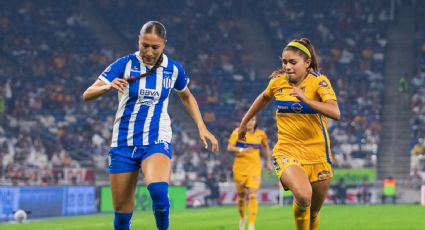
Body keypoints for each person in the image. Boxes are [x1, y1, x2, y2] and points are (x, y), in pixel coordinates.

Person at [82, 21, 219, 230]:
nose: (148, 51)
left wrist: (201, 126)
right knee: (122, 215)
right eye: (144, 45)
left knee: (158, 192)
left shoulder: (173, 69)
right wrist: (107, 86)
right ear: (139, 40)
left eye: (155, 47)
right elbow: (87, 94)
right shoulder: (124, 64)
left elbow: (187, 96)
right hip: (123, 143)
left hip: (155, 138)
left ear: (164, 44)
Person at [238, 38, 340, 230]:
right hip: (287, 152)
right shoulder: (278, 83)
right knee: (303, 196)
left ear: (307, 63)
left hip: (318, 156)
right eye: (284, 62)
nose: (287, 66)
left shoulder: (319, 81)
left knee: (314, 213)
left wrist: (306, 100)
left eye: (293, 62)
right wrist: (244, 122)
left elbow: (335, 112)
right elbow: (263, 97)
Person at [227, 116, 272, 230]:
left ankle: (251, 225)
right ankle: (243, 218)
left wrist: (268, 162)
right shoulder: (237, 132)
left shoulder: (261, 134)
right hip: (239, 168)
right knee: (241, 197)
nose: (250, 122)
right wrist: (241, 150)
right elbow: (230, 147)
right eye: (248, 120)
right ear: (244, 121)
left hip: (255, 169)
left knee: (252, 194)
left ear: (256, 121)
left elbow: (266, 147)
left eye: (253, 120)